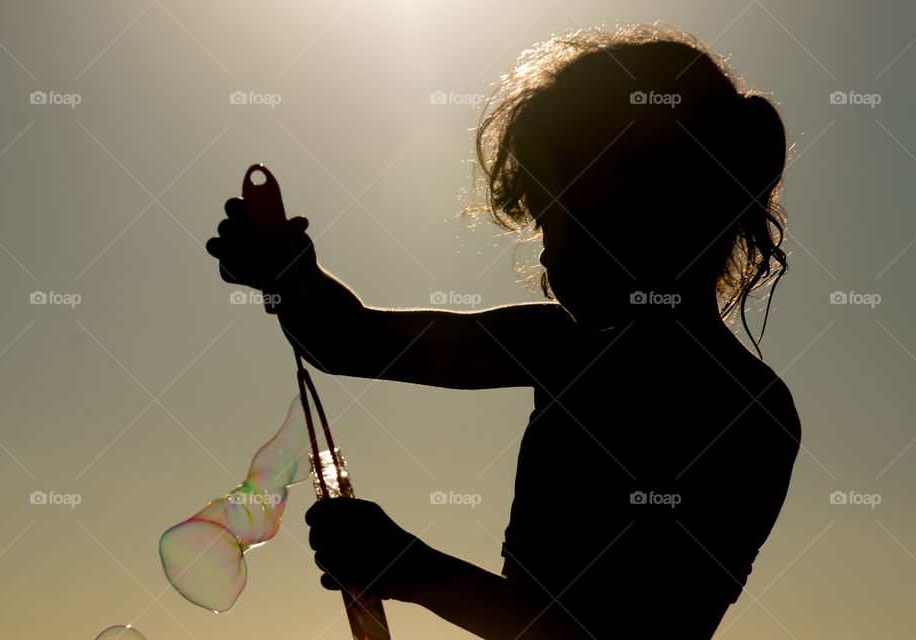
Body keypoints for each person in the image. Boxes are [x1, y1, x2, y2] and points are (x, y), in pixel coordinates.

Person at [206, 24, 801, 639]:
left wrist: (412, 570)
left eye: (557, 221)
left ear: (647, 208)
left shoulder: (745, 415)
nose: (545, 256)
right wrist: (288, 271)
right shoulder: (559, 346)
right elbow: (347, 341)